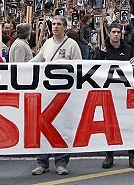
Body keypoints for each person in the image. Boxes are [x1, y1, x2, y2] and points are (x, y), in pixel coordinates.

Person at [30, 15, 82, 176]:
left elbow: (79, 67)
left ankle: (61, 162)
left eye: (59, 24)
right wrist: (14, 68)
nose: (56, 27)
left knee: (62, 128)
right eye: (53, 24)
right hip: (47, 94)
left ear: (65, 27)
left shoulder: (72, 45)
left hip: (64, 95)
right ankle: (42, 162)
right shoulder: (47, 43)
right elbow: (36, 61)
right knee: (44, 128)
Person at [96, 23, 134, 169]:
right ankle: (109, 155)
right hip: (109, 93)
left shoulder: (128, 49)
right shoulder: (103, 49)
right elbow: (95, 70)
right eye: (113, 32)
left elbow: (132, 70)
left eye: (118, 32)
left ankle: (132, 154)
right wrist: (101, 55)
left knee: (129, 124)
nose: (116, 34)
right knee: (110, 125)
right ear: (109, 33)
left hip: (125, 93)